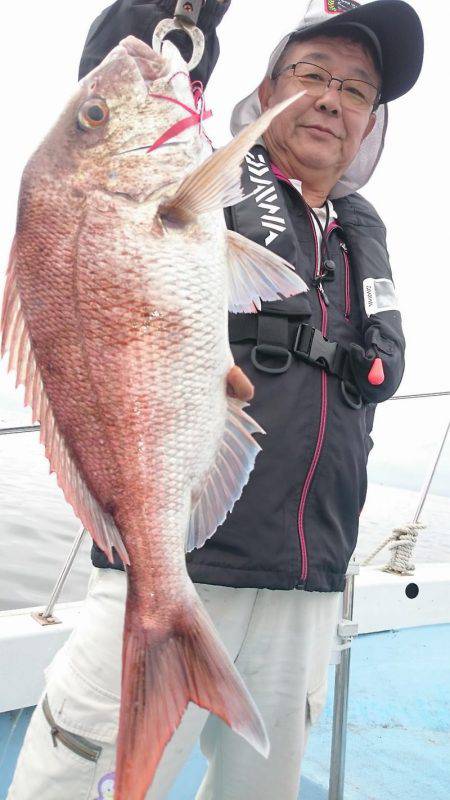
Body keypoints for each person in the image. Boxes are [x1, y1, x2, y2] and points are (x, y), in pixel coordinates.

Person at [7, 1, 424, 799]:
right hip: (180, 561)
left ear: (371, 123)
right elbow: (123, 75)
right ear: (265, 92)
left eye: (356, 89)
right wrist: (171, 17)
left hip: (307, 585)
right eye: (312, 75)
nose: (332, 99)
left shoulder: (355, 233)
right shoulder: (209, 181)